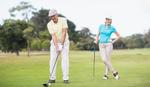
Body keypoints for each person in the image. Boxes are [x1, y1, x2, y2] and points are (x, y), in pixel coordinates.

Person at [47, 9, 70, 84]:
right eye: (51, 16)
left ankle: (65, 78)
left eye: (53, 16)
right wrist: (57, 47)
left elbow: (64, 32)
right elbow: (53, 36)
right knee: (53, 60)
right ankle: (52, 78)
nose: (52, 18)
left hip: (65, 42)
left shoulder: (63, 20)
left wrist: (61, 45)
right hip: (54, 43)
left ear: (57, 15)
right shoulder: (49, 24)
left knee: (65, 60)